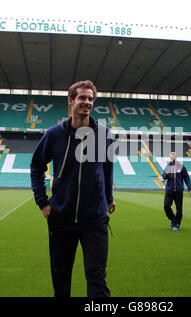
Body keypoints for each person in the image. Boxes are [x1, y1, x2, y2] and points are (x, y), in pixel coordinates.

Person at [30, 80, 116, 297]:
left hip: (95, 219)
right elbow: (37, 165)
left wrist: (109, 197)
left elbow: (107, 168)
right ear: (71, 101)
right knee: (61, 280)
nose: (87, 102)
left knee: (97, 277)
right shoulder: (54, 135)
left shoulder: (105, 134)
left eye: (90, 99)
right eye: (82, 98)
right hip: (61, 219)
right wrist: (42, 202)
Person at [162, 152, 191, 231]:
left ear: (176, 157)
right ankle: (172, 218)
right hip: (169, 190)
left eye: (173, 157)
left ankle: (177, 224)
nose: (172, 159)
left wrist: (189, 188)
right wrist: (167, 174)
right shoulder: (167, 166)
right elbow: (164, 177)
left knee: (179, 209)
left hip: (178, 191)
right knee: (166, 206)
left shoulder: (181, 166)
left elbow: (186, 177)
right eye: (171, 157)